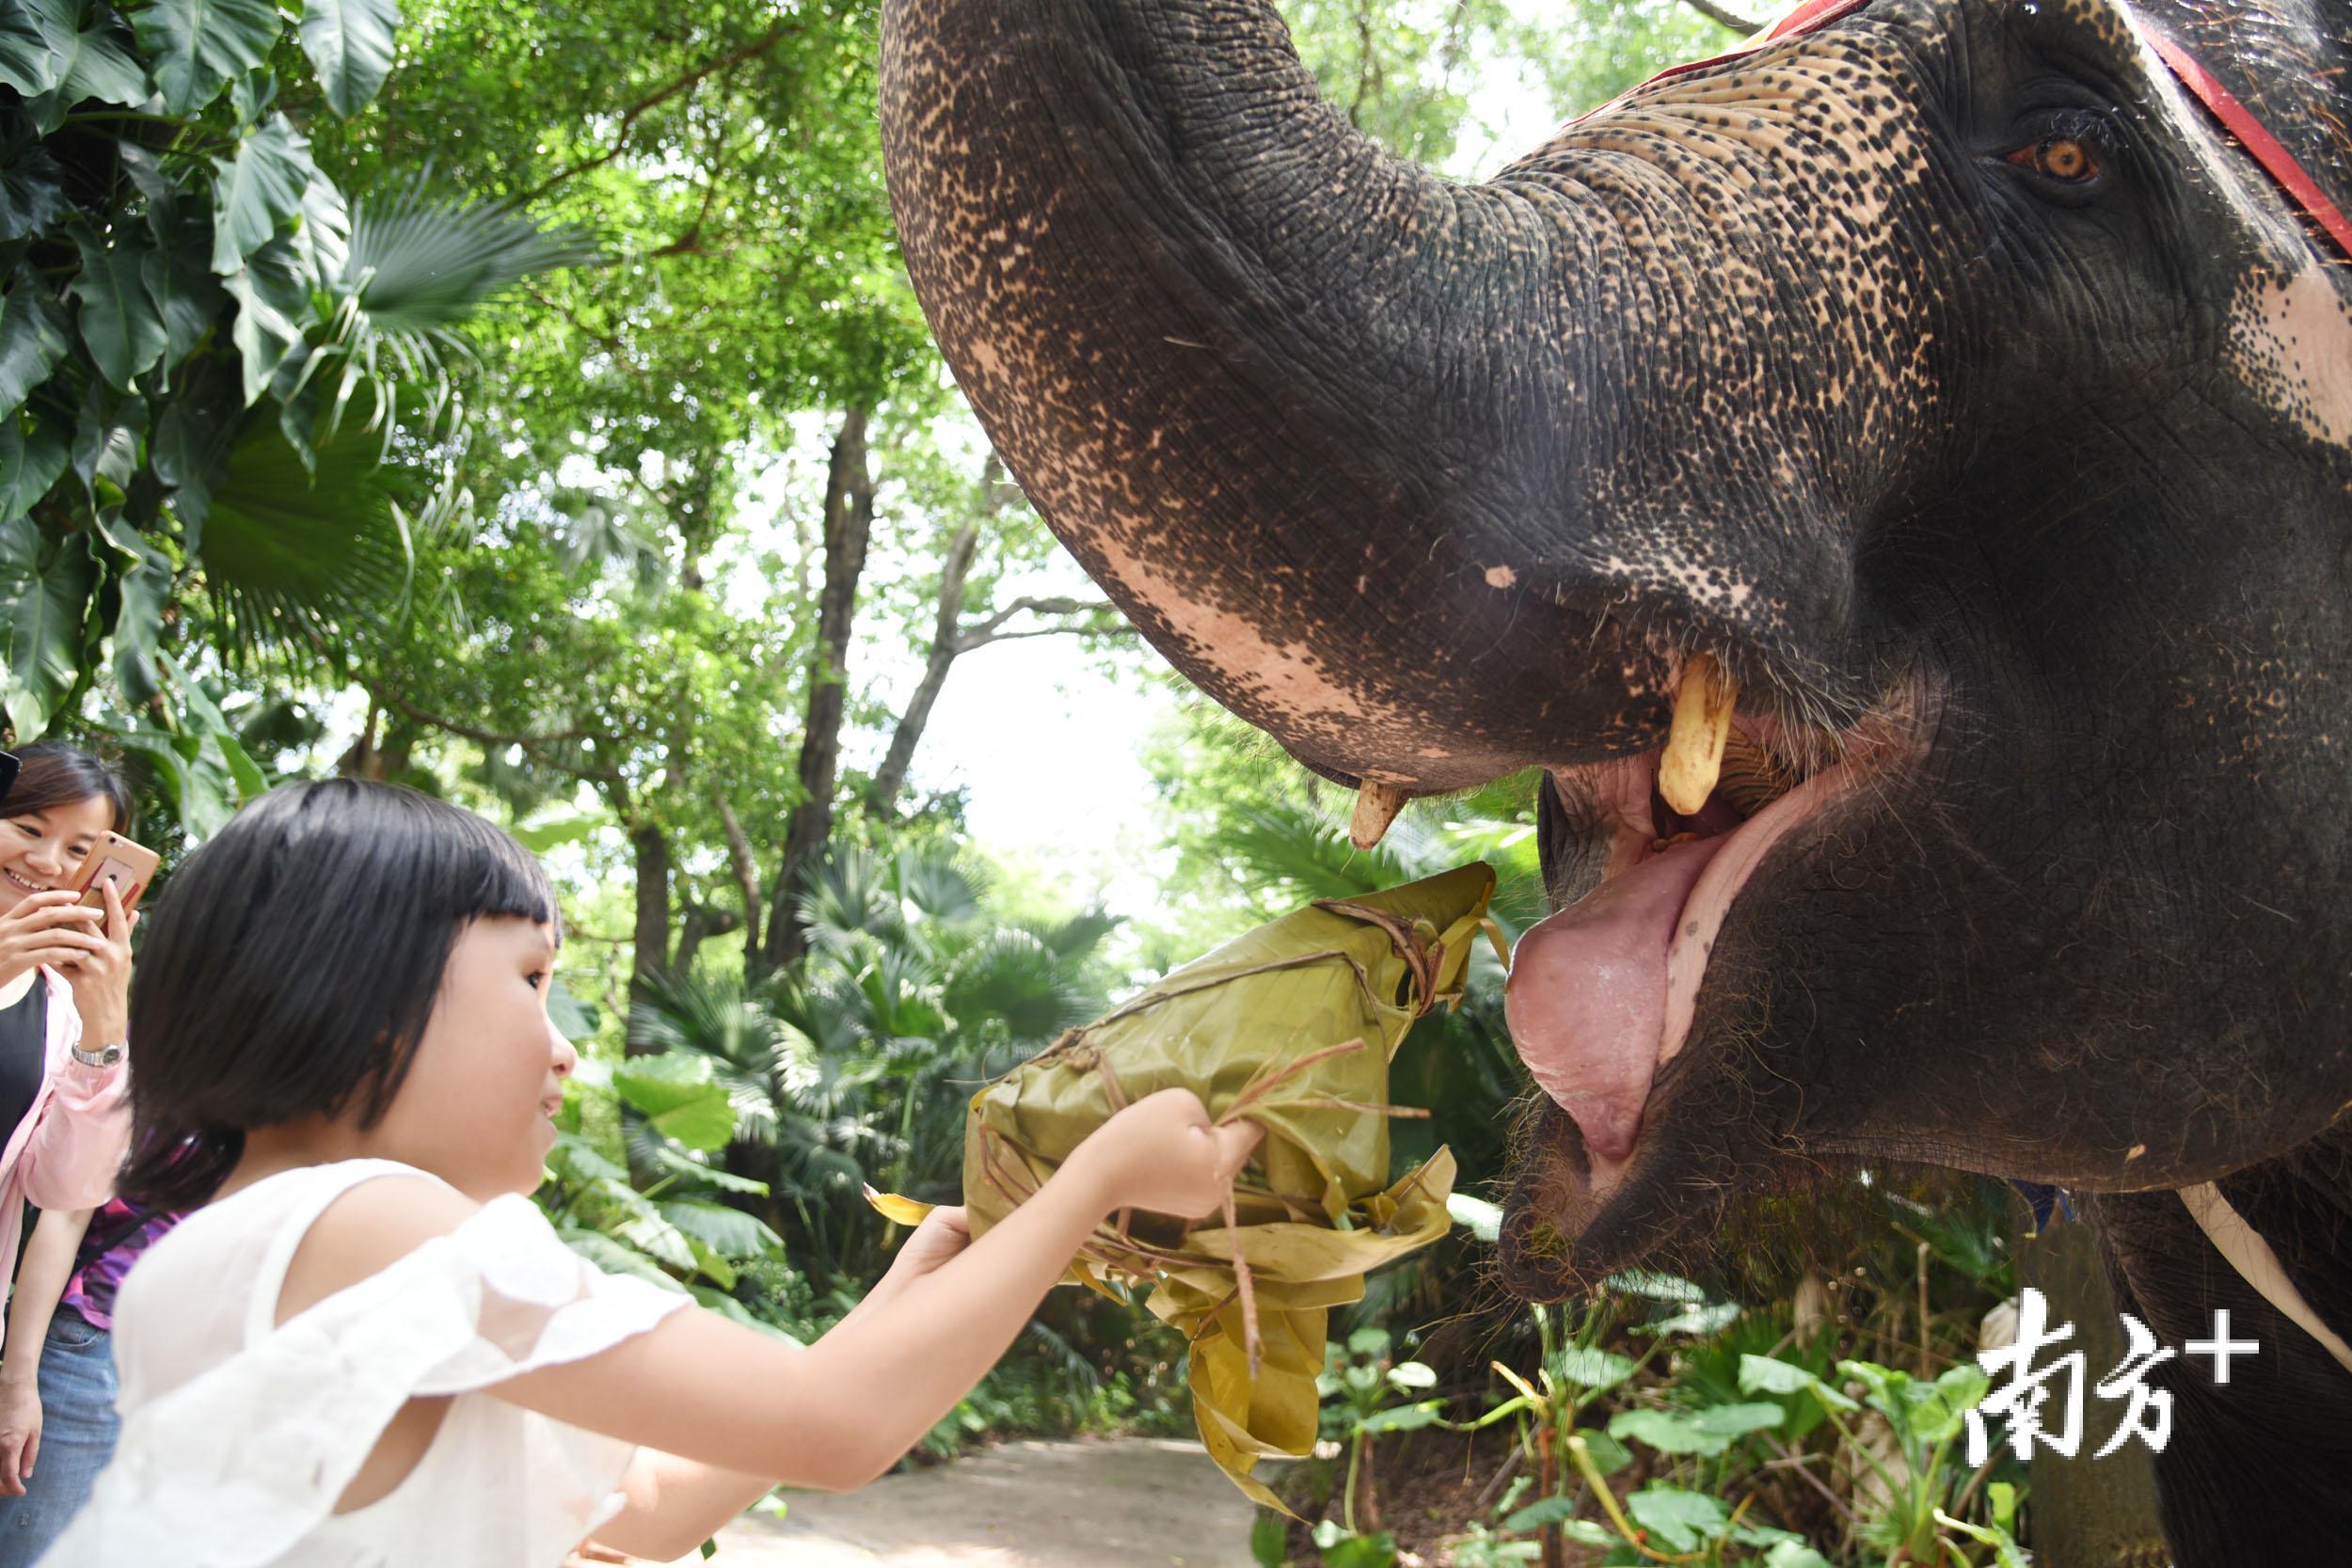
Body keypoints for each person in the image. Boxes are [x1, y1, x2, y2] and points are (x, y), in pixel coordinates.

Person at [46, 781, 1258, 1565]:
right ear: (363, 995)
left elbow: (654, 1504)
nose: (562, 1038)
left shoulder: (228, 1246)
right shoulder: (377, 1219)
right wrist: (1105, 1168)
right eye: (529, 978)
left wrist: (902, 1296)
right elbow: (837, 1432)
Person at [0, 745, 136, 1561]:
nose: (50, 863)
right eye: (27, 828)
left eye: (83, 851)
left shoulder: (53, 1002)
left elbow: (64, 1183)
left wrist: (102, 1031)